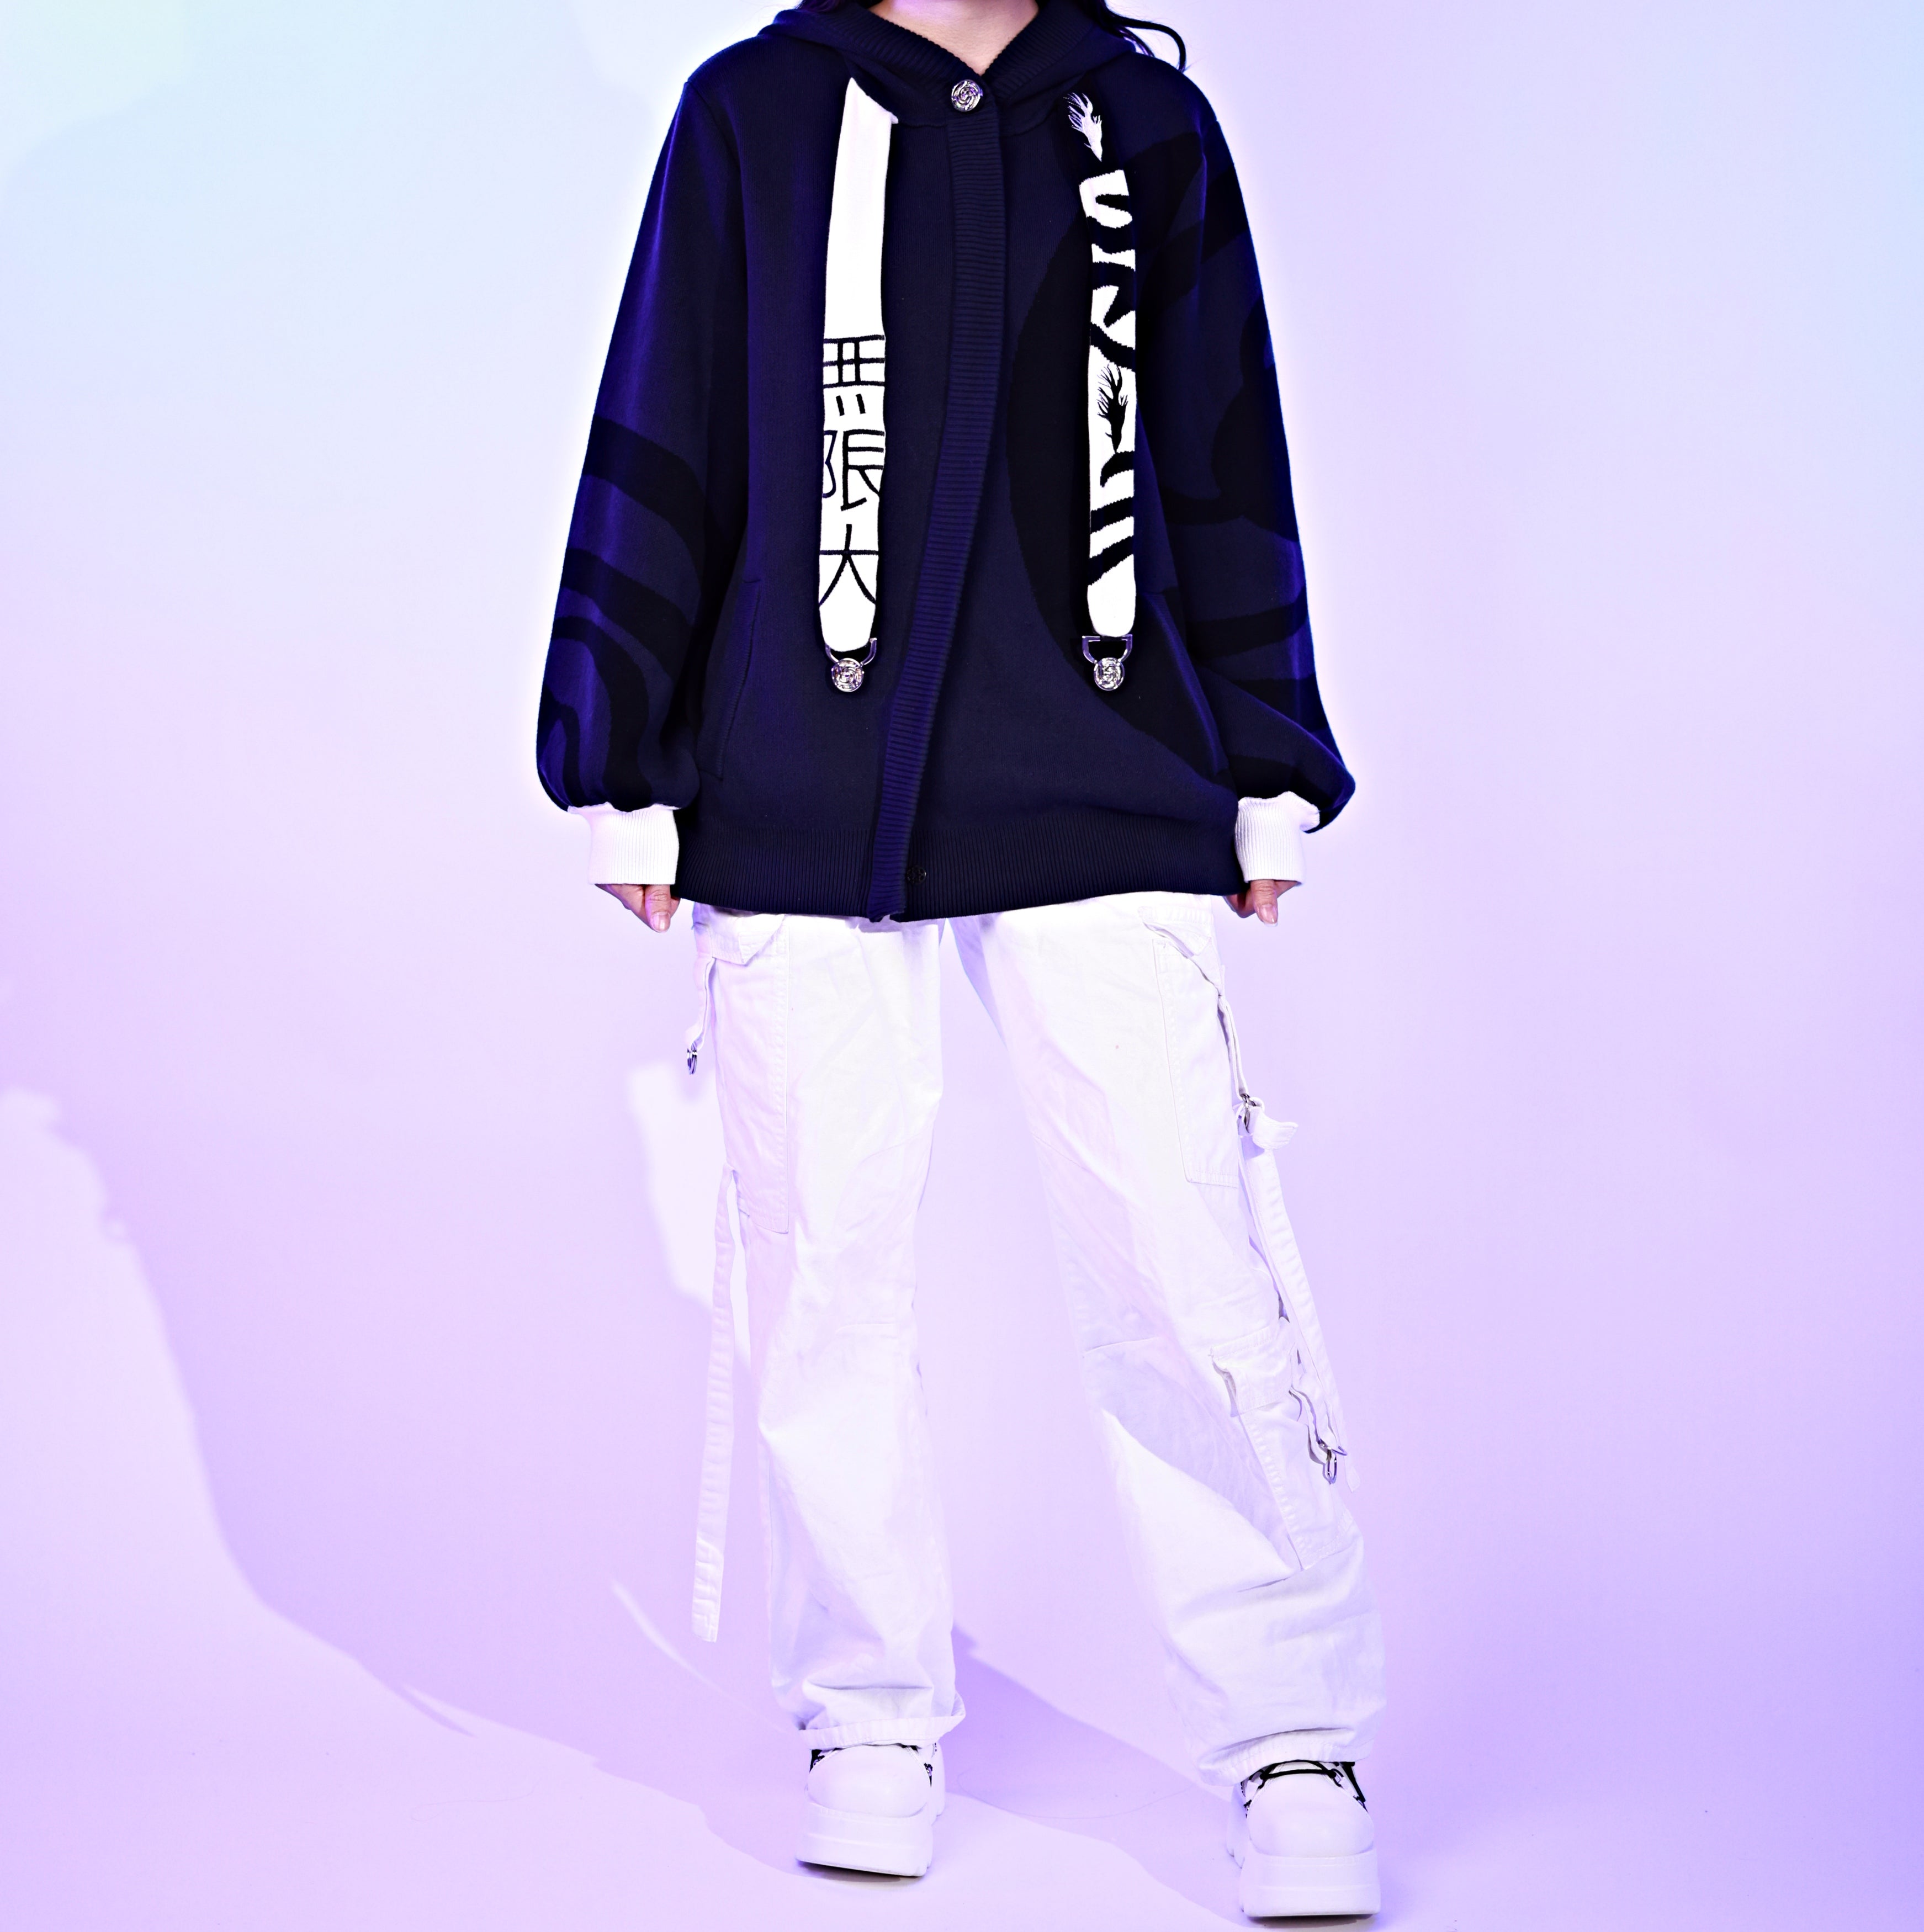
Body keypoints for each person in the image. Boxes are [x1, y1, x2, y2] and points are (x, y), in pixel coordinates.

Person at [535, 0, 1386, 1915]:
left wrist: (1268, 755)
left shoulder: (1143, 124)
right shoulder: (752, 115)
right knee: (824, 1263)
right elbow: (670, 407)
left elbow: (1223, 439)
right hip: (799, 790)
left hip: (1108, 772)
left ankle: (1290, 1725)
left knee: (1187, 1260)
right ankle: (867, 1705)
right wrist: (624, 757)